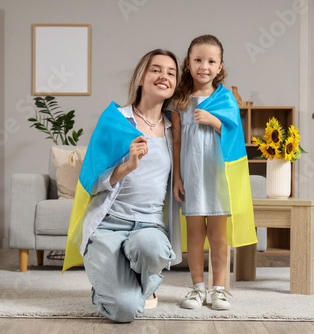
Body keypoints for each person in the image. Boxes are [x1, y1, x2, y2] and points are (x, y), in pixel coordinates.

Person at [62, 49, 183, 323]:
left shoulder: (175, 131)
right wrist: (127, 166)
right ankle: (109, 286)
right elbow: (91, 183)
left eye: (171, 72)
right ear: (141, 78)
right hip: (108, 225)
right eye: (156, 69)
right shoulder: (116, 120)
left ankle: (125, 280)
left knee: (153, 249)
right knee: (125, 311)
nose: (163, 75)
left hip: (150, 225)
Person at [170, 35, 256, 310]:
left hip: (218, 176)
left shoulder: (225, 98)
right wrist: (177, 177)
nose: (203, 66)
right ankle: (196, 288)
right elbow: (176, 141)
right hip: (192, 177)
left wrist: (215, 121)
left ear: (220, 67)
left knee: (218, 236)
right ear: (187, 63)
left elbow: (235, 135)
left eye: (210, 61)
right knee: (195, 235)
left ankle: (218, 289)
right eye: (197, 60)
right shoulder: (180, 101)